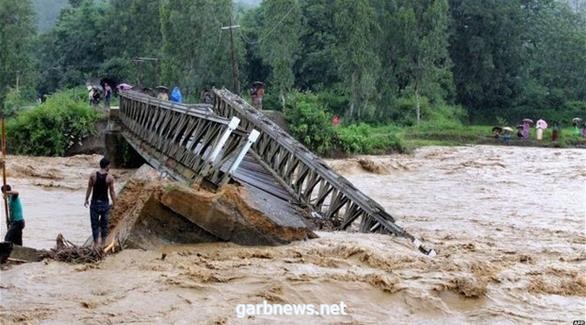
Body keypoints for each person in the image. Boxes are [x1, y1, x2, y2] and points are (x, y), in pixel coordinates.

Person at [84, 158, 116, 247]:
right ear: (107, 166)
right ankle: (103, 243)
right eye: (109, 165)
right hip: (104, 204)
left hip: (94, 203)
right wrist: (114, 203)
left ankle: (95, 244)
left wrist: (86, 199)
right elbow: (112, 192)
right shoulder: (110, 178)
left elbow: (89, 188)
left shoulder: (93, 175)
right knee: (104, 225)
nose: (110, 167)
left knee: (94, 225)